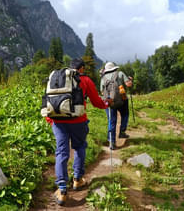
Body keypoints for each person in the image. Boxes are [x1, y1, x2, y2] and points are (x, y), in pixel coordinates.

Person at [46, 58, 110, 206]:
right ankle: (77, 180)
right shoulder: (85, 80)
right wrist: (107, 103)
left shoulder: (57, 78)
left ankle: (62, 190)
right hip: (78, 121)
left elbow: (49, 100)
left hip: (58, 121)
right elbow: (96, 102)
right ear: (81, 69)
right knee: (80, 147)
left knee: (61, 153)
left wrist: (52, 121)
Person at [100, 62, 133, 150]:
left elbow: (102, 92)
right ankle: (122, 131)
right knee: (125, 115)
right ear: (114, 68)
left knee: (111, 121)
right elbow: (128, 84)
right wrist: (130, 80)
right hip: (121, 100)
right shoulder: (120, 73)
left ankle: (112, 142)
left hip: (109, 102)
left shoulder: (103, 77)